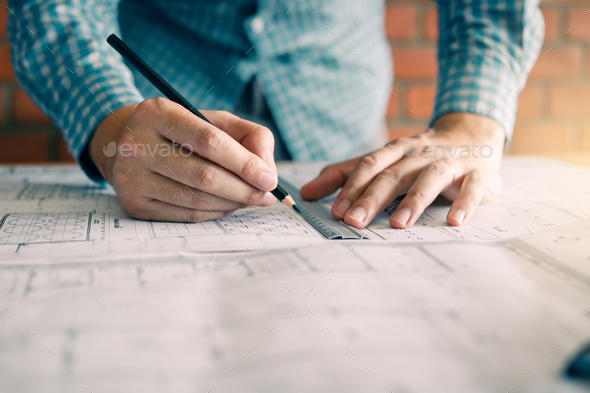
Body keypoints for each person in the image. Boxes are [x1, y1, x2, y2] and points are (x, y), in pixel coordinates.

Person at [7, 0, 543, 229]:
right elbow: (56, 8)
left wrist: (467, 127)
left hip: (345, 131)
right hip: (156, 123)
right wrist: (112, 123)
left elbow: (491, 10)